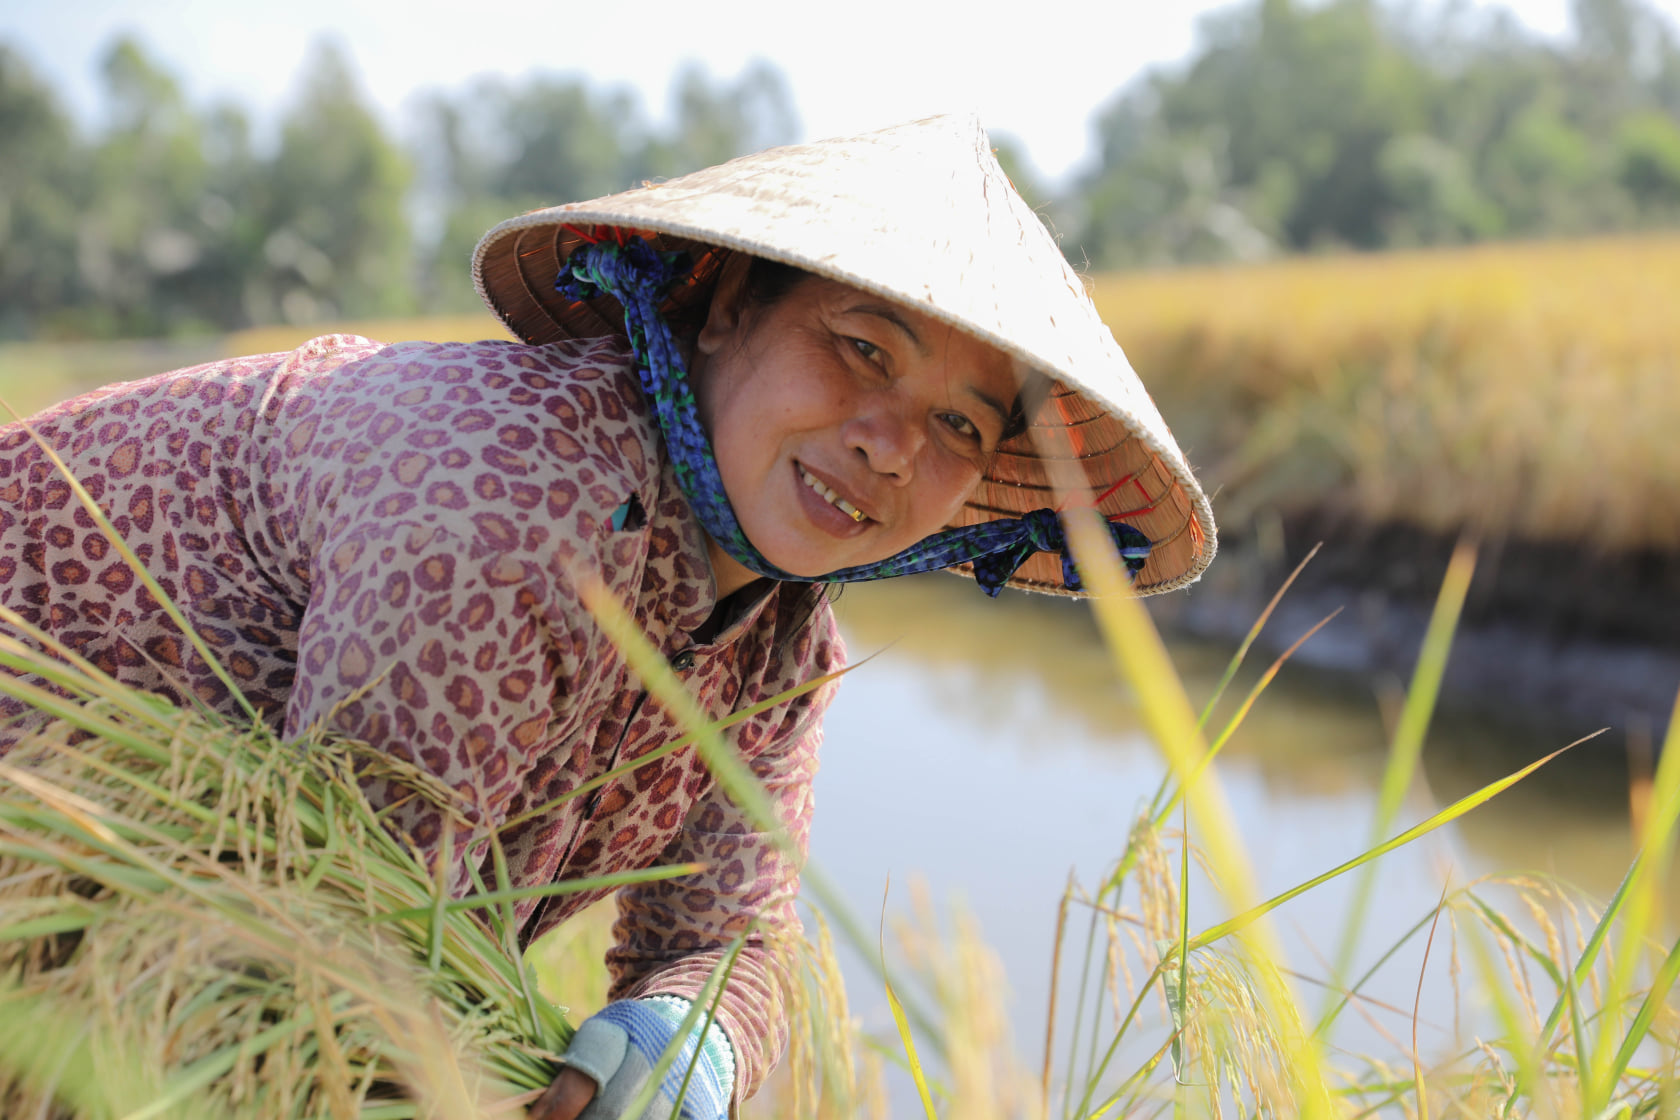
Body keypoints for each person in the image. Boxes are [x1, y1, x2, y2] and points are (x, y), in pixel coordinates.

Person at [0, 115, 1215, 1118]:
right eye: (861, 350)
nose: (892, 445)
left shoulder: (782, 643)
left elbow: (735, 939)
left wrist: (686, 1035)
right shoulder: (507, 505)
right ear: (724, 306)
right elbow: (336, 969)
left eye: (959, 425)